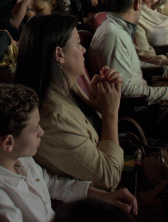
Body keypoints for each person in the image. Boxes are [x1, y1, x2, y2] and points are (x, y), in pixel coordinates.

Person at [0, 83, 137, 222]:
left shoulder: (17, 158)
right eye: (35, 129)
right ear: (9, 143)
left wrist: (104, 197)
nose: (41, 132)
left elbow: (49, 183)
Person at [14, 14, 125, 191]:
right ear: (59, 54)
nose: (83, 50)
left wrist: (96, 104)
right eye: (78, 44)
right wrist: (110, 114)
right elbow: (109, 177)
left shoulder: (62, 87)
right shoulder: (52, 116)